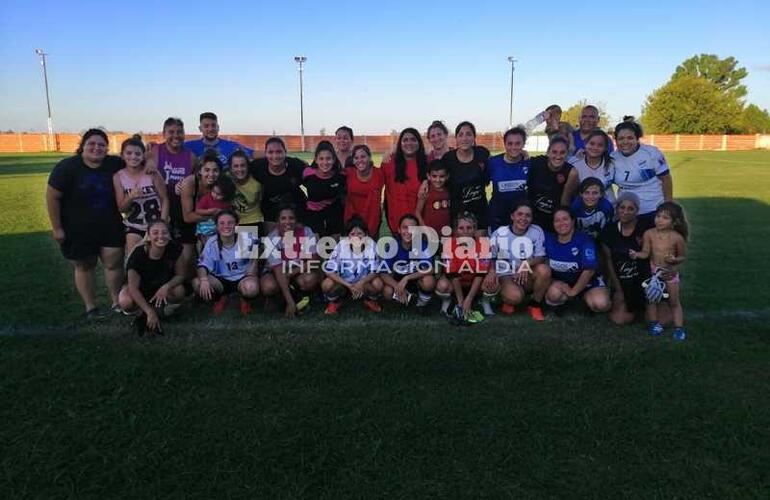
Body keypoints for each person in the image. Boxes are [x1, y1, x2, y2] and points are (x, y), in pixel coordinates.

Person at [46, 128, 126, 319]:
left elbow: (137, 159)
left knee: (114, 264)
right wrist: (57, 228)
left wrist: (147, 162)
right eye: (92, 143)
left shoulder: (114, 163)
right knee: (84, 266)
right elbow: (52, 197)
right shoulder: (67, 167)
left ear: (107, 148)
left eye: (101, 145)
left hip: (110, 225)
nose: (96, 148)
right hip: (77, 229)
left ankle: (117, 302)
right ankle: (91, 307)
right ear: (82, 146)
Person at [630, 202, 688, 341]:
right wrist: (636, 254)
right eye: (658, 216)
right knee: (651, 298)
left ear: (674, 221)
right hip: (653, 272)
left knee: (674, 301)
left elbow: (682, 256)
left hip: (669, 272)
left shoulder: (677, 238)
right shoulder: (649, 233)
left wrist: (674, 260)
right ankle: (654, 324)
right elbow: (646, 252)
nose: (659, 220)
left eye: (665, 218)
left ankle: (679, 328)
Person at [146, 117, 197, 272]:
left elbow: (196, 181)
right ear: (164, 133)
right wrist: (147, 159)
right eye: (171, 132)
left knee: (186, 248)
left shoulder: (190, 156)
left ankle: (182, 279)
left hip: (183, 207)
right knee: (159, 244)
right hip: (160, 206)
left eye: (179, 132)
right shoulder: (155, 151)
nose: (176, 135)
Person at [484, 202, 550, 321]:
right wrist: (492, 271)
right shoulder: (499, 233)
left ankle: (535, 305)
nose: (523, 218)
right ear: (512, 216)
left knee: (544, 270)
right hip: (506, 273)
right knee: (515, 297)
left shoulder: (537, 231)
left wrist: (526, 264)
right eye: (519, 214)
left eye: (527, 215)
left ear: (531, 218)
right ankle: (508, 298)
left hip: (526, 272)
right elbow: (490, 256)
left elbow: (541, 257)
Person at [119, 220, 186, 335]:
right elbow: (133, 288)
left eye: (164, 232)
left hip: (161, 285)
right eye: (155, 233)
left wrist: (166, 286)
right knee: (125, 302)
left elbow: (181, 275)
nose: (160, 236)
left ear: (169, 235)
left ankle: (160, 310)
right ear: (148, 236)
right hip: (139, 288)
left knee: (179, 291)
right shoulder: (138, 254)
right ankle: (143, 312)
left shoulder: (175, 249)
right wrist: (149, 311)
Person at [600, 192, 656, 325]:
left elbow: (657, 254)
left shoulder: (646, 227)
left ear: (637, 210)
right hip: (624, 282)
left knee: (663, 320)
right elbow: (609, 262)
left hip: (645, 282)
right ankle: (632, 306)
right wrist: (618, 289)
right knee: (619, 320)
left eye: (631, 208)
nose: (625, 212)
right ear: (617, 209)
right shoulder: (609, 230)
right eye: (622, 207)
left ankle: (647, 305)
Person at [192, 210, 259, 315]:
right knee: (197, 283)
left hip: (242, 277)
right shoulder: (212, 242)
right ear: (217, 226)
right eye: (222, 223)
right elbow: (202, 265)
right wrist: (204, 279)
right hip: (220, 279)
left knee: (251, 288)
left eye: (230, 223)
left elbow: (261, 250)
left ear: (237, 224)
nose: (226, 226)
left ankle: (244, 299)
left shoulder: (247, 238)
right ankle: (219, 298)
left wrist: (254, 265)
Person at [545, 207, 611, 313]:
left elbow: (589, 270)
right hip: (563, 282)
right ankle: (563, 302)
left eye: (565, 219)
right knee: (554, 295)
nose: (561, 223)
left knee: (601, 304)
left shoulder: (584, 240)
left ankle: (583, 298)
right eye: (557, 220)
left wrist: (573, 292)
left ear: (573, 221)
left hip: (589, 282)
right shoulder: (548, 239)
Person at [260, 205, 321, 318]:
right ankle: (281, 298)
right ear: (277, 221)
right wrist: (290, 303)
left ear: (296, 220)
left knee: (310, 280)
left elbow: (314, 260)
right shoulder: (271, 238)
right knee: (268, 286)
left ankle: (301, 296)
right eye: (283, 218)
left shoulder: (306, 232)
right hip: (276, 272)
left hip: (297, 270)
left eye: (291, 218)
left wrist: (292, 273)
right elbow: (278, 270)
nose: (287, 221)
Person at [113, 134, 169, 257]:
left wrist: (163, 222)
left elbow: (164, 198)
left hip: (155, 222)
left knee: (157, 257)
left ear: (143, 155)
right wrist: (131, 196)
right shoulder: (118, 177)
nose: (133, 157)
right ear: (122, 155)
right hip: (134, 224)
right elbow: (122, 208)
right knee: (135, 258)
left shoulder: (151, 172)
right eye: (129, 153)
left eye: (137, 154)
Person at [612, 118, 673, 224]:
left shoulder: (651, 153)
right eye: (621, 138)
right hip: (626, 212)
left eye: (630, 138)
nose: (625, 142)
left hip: (653, 210)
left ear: (637, 138)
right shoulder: (612, 158)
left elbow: (666, 179)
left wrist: (668, 204)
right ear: (616, 140)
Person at [321, 216, 384, 315]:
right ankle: (335, 301)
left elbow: (375, 271)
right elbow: (329, 270)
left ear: (366, 235)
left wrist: (361, 282)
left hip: (363, 282)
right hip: (344, 282)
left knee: (378, 283)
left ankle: (369, 300)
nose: (356, 237)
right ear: (348, 236)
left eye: (360, 233)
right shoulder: (341, 245)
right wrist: (348, 285)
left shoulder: (371, 244)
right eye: (352, 234)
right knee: (326, 284)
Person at [435, 212, 489, 324]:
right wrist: (461, 302)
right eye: (461, 228)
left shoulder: (483, 244)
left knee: (491, 283)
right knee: (442, 285)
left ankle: (482, 301)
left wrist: (468, 299)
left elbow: (480, 274)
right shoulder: (449, 244)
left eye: (469, 228)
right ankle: (451, 301)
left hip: (475, 281)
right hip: (456, 282)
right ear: (455, 231)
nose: (465, 231)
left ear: (475, 229)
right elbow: (453, 275)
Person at [441, 121, 490, 235]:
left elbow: (500, 161)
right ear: (456, 138)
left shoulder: (482, 153)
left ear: (474, 137)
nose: (464, 138)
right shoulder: (448, 158)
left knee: (480, 250)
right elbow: (435, 173)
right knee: (459, 250)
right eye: (461, 135)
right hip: (457, 213)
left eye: (468, 134)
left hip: (479, 212)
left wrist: (521, 152)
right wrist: (424, 182)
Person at [380, 213, 436, 309]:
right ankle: (402, 300)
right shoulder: (393, 246)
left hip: (416, 281)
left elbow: (431, 269)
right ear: (399, 229)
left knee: (428, 281)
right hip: (398, 280)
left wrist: (407, 278)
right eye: (405, 227)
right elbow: (383, 273)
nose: (408, 231)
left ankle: (421, 303)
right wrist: (397, 286)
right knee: (387, 291)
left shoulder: (422, 245)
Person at [249, 137, 307, 225]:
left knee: (295, 236)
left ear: (285, 152)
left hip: (296, 212)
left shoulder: (296, 166)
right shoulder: (257, 167)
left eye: (279, 152)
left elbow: (314, 181)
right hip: (264, 214)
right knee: (263, 237)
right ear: (265, 153)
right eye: (270, 152)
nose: (275, 156)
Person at [382, 128, 428, 234]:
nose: (409, 143)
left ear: (419, 143)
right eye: (405, 140)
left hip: (421, 223)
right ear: (400, 143)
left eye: (413, 139)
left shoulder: (427, 162)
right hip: (397, 224)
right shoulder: (389, 162)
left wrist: (426, 181)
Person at [526, 137, 574, 232]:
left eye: (562, 152)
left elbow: (564, 205)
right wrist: (523, 153)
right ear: (548, 152)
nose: (558, 156)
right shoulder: (537, 163)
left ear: (567, 154)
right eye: (554, 152)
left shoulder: (571, 172)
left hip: (552, 221)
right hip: (531, 218)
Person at [487, 127, 530, 231]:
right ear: (504, 144)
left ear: (523, 144)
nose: (513, 147)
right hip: (497, 218)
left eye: (517, 143)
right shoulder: (492, 163)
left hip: (520, 219)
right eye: (510, 143)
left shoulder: (529, 164)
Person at [303, 140, 346, 238]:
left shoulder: (340, 176)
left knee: (333, 247)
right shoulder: (307, 173)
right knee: (315, 248)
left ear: (334, 159)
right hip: (313, 215)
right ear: (316, 160)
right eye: (321, 159)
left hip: (335, 215)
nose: (325, 162)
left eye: (328, 159)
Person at [180, 150, 222, 251]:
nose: (211, 174)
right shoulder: (190, 183)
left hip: (214, 224)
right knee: (188, 256)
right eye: (207, 170)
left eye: (215, 170)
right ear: (200, 171)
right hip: (187, 222)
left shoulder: (223, 184)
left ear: (220, 172)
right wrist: (214, 214)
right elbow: (188, 217)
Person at [562, 129, 616, 203]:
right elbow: (567, 191)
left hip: (608, 208)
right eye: (592, 143)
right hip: (581, 210)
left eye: (600, 145)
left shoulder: (612, 164)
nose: (595, 147)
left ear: (605, 148)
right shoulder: (574, 163)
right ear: (585, 144)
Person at [184, 111, 254, 167]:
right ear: (200, 128)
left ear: (218, 127)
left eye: (213, 125)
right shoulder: (189, 146)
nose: (210, 129)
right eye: (206, 126)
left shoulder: (231, 146)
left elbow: (252, 153)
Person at [344, 144, 384, 237]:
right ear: (353, 160)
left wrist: (389, 153)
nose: (360, 160)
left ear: (369, 157)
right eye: (356, 158)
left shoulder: (379, 174)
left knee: (371, 250)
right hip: (352, 221)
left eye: (363, 156)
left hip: (372, 220)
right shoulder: (348, 173)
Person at [228, 149, 264, 234]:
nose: (240, 169)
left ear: (248, 166)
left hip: (253, 220)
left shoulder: (256, 183)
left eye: (243, 165)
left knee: (250, 247)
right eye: (236, 166)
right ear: (231, 168)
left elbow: (261, 200)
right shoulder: (227, 181)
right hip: (232, 222)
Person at [415, 160, 451, 236]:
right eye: (434, 176)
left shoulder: (449, 191)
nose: (438, 180)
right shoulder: (426, 191)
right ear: (428, 176)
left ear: (447, 176)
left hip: (446, 234)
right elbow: (417, 212)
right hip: (430, 235)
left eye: (442, 176)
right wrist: (425, 230)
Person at [195, 175, 235, 243]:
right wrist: (211, 211)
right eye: (213, 192)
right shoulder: (207, 198)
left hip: (220, 227)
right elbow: (197, 210)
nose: (215, 195)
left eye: (219, 194)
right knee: (210, 244)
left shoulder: (226, 203)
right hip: (207, 226)